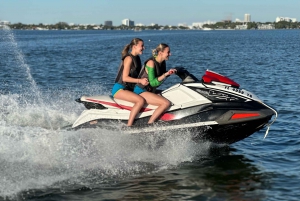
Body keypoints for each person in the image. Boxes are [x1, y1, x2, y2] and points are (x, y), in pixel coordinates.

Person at [134, 43, 177, 124]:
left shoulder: (162, 62)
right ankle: (150, 124)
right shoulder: (151, 63)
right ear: (160, 53)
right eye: (168, 52)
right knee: (165, 103)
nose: (170, 54)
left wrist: (170, 73)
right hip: (140, 90)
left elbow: (161, 77)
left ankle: (166, 118)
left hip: (150, 90)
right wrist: (166, 74)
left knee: (171, 93)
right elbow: (153, 83)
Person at [112, 38, 149, 126]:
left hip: (129, 89)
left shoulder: (137, 58)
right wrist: (140, 80)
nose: (144, 48)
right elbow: (125, 78)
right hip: (119, 89)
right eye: (142, 46)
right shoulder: (129, 58)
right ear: (134, 47)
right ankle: (129, 125)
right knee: (140, 101)